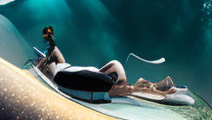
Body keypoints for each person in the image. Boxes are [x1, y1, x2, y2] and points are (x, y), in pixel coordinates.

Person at [36, 25, 176, 95]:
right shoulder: (58, 72)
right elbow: (53, 61)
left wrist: (48, 51)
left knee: (115, 64)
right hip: (84, 77)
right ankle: (142, 87)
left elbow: (54, 53)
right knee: (119, 80)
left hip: (85, 75)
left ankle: (137, 86)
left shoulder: (60, 66)